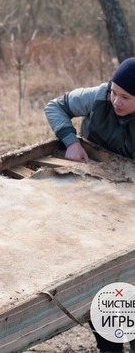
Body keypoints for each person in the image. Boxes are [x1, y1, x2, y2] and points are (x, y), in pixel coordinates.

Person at [45, 56, 135, 353]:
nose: (116, 101)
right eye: (114, 92)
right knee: (101, 284)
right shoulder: (99, 96)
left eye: (125, 97)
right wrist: (70, 140)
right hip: (91, 197)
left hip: (130, 206)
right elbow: (55, 105)